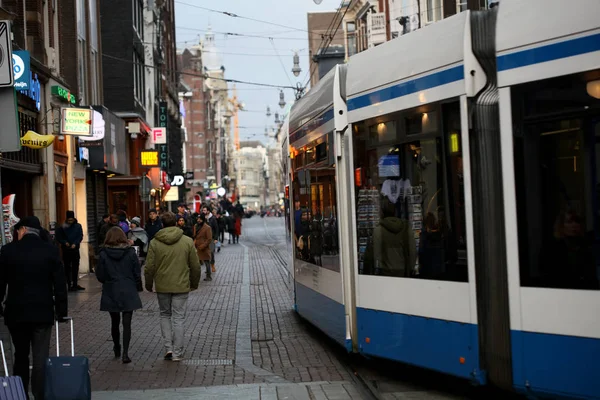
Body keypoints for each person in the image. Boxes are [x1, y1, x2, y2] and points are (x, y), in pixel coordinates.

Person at [0, 216, 68, 400]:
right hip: (42, 311)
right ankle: (40, 394)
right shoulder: (50, 251)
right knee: (40, 356)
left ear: (22, 230)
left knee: (20, 354)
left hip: (16, 312)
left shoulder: (7, 251)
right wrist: (62, 310)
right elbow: (60, 284)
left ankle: (20, 394)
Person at [144, 212, 201, 361]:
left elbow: (149, 267)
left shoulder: (155, 242)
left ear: (162, 224)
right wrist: (194, 283)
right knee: (179, 318)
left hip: (162, 285)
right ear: (176, 223)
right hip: (181, 285)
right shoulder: (187, 241)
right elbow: (195, 266)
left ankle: (168, 348)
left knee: (165, 315)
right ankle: (177, 352)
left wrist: (149, 284)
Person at [96, 227, 143, 364]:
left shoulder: (104, 254)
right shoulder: (130, 253)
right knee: (127, 323)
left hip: (111, 289)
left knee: (114, 321)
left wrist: (107, 280)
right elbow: (137, 272)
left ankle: (117, 347)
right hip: (128, 288)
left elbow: (100, 275)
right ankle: (125, 354)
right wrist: (137, 286)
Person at [56, 210, 85, 291]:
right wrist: (65, 242)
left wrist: (75, 243)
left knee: (75, 267)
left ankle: (75, 284)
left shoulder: (78, 226)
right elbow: (59, 237)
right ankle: (69, 284)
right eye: (69, 220)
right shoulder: (62, 227)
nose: (70, 222)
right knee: (67, 268)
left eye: (71, 220)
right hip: (66, 250)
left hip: (75, 250)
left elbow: (80, 236)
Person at [194, 213, 213, 281]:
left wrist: (203, 246)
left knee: (207, 262)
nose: (198, 220)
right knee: (196, 263)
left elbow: (209, 239)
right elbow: (195, 236)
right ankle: (196, 276)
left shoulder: (207, 227)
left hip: (204, 247)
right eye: (198, 219)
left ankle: (208, 275)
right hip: (197, 247)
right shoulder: (196, 226)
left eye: (200, 219)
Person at [202, 206, 219, 272]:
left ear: (208, 211)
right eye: (203, 210)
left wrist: (216, 238)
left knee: (211, 252)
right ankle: (207, 267)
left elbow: (216, 228)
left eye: (205, 210)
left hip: (211, 238)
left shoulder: (213, 218)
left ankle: (212, 265)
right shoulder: (202, 218)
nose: (204, 211)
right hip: (204, 239)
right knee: (205, 253)